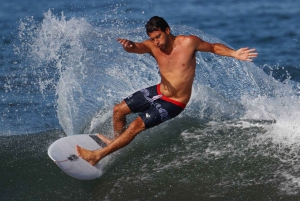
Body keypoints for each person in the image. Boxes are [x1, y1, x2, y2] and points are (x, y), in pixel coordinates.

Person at [76, 16, 258, 166]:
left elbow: (213, 47)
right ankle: (115, 144)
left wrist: (234, 53)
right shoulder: (152, 45)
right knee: (118, 110)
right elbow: (138, 47)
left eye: (158, 37)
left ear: (167, 30)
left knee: (135, 126)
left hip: (175, 101)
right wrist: (129, 46)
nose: (157, 42)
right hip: (159, 91)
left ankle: (97, 156)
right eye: (153, 38)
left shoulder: (188, 43)